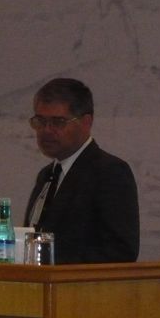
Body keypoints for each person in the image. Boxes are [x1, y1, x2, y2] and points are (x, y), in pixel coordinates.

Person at [24, 78, 139, 264]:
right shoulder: (46, 176)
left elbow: (121, 251)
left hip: (81, 283)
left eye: (58, 122)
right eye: (41, 121)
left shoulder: (110, 172)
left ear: (86, 122)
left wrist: (52, 262)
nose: (46, 130)